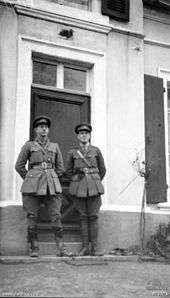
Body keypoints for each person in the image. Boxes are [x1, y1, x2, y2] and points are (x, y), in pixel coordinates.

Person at [15, 115, 66, 257]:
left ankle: (61, 247)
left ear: (48, 130)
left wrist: (53, 176)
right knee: (32, 215)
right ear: (36, 129)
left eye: (46, 127)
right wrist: (31, 178)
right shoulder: (29, 146)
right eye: (41, 127)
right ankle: (33, 247)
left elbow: (60, 168)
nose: (44, 129)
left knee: (56, 214)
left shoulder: (54, 146)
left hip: (52, 184)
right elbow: (19, 166)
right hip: (33, 185)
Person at [65, 123, 106, 256]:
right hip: (79, 188)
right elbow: (68, 171)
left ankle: (94, 248)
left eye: (86, 133)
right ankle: (85, 248)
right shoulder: (72, 152)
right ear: (78, 136)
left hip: (94, 187)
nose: (84, 135)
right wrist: (77, 179)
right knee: (83, 217)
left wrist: (95, 181)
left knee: (93, 216)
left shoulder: (96, 150)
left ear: (89, 135)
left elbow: (103, 170)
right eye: (81, 133)